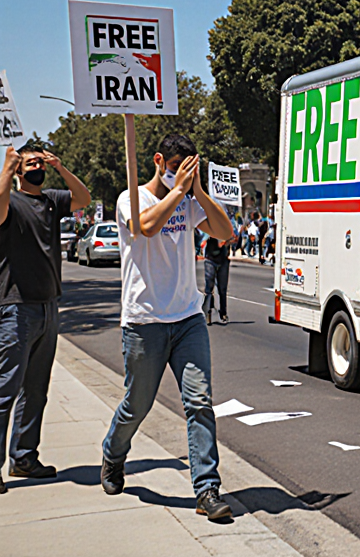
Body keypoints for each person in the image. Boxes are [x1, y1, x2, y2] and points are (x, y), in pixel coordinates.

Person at [101, 135, 237, 518]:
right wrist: (178, 191)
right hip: (145, 321)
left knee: (199, 403)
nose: (181, 173)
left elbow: (224, 232)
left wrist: (198, 192)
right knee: (137, 404)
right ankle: (113, 453)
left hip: (187, 318)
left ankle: (207, 490)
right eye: (177, 165)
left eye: (189, 167)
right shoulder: (131, 197)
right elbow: (145, 227)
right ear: (159, 160)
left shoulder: (189, 198)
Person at [0, 145, 91, 494]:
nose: (38, 167)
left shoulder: (52, 199)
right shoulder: (10, 200)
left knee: (36, 390)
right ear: (19, 170)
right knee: (5, 391)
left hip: (49, 307)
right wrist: (7, 167)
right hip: (16, 308)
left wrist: (62, 167)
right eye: (31, 163)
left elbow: (82, 198)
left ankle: (24, 457)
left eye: (41, 162)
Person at [203, 224, 231, 326]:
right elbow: (202, 237)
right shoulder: (208, 226)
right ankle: (208, 312)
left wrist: (228, 240)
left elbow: (232, 238)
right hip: (210, 259)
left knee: (222, 289)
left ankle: (223, 313)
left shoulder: (227, 225)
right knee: (209, 288)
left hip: (223, 260)